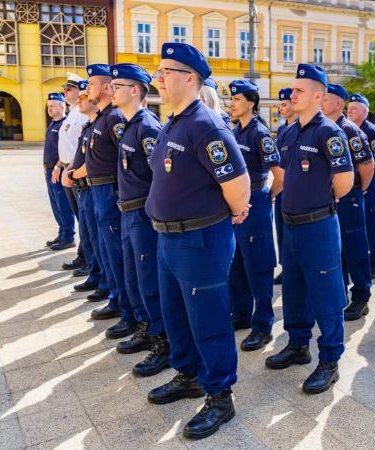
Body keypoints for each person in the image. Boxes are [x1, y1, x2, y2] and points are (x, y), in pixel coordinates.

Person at [145, 43, 251, 440]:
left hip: (199, 239)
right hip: (169, 238)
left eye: (166, 71)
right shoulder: (174, 122)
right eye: (158, 71)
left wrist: (234, 211)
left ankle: (220, 396)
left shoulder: (206, 125)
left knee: (208, 319)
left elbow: (237, 184)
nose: (159, 78)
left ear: (190, 78)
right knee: (176, 314)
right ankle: (188, 375)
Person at [264, 64, 354, 393]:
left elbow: (344, 181)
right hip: (291, 226)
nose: (293, 94)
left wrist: (321, 198)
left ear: (319, 96)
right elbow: (284, 174)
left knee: (326, 294)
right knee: (294, 289)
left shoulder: (328, 132)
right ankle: (298, 344)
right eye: (293, 89)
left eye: (300, 90)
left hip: (318, 226)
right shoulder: (288, 132)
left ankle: (330, 359)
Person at [106, 63, 171, 377]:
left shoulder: (147, 127)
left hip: (143, 215)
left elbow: (160, 175)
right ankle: (146, 327)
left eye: (117, 86)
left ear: (135, 90)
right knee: (134, 279)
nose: (112, 91)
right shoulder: (130, 124)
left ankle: (163, 342)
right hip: (128, 211)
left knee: (149, 281)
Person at [70, 64, 137, 342]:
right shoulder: (101, 118)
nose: (87, 89)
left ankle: (127, 309)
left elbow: (127, 159)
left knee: (117, 253)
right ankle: (117, 298)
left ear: (106, 87)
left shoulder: (113, 118)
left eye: (91, 84)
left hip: (110, 189)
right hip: (97, 190)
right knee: (106, 249)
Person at [227, 79, 284, 351]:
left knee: (258, 265)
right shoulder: (236, 131)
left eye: (237, 99)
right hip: (237, 204)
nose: (232, 104)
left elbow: (280, 175)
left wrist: (268, 196)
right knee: (237, 262)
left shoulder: (260, 133)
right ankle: (241, 314)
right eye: (231, 99)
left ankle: (263, 325)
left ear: (251, 103)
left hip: (256, 201)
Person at [322, 84, 374, 321]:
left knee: (355, 247)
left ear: (337, 104)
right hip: (328, 198)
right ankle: (340, 294)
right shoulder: (323, 127)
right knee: (336, 249)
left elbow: (367, 164)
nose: (321, 103)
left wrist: (358, 190)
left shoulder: (349, 130)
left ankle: (361, 297)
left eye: (326, 99)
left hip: (349, 197)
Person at [61, 81, 111, 303]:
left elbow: (96, 162)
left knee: (101, 241)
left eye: (84, 96)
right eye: (80, 96)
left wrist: (72, 174)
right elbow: (81, 155)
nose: (81, 99)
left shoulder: (105, 122)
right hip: (85, 187)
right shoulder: (90, 125)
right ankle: (96, 274)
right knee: (90, 236)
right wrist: (68, 169)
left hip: (95, 186)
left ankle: (105, 283)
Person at [347, 93, 375, 280]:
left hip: (369, 184)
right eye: (349, 108)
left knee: (372, 223)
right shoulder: (347, 128)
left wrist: (373, 179)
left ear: (364, 112)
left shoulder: (371, 131)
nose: (349, 111)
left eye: (354, 108)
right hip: (355, 185)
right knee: (357, 223)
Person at [58, 73, 89, 271]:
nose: (65, 92)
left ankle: (87, 257)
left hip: (77, 171)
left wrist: (71, 169)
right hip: (69, 169)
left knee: (85, 219)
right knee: (81, 218)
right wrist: (60, 166)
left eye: (68, 89)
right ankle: (84, 254)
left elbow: (82, 147)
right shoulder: (72, 113)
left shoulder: (82, 113)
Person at [42, 93, 76, 251]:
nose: (49, 109)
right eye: (48, 106)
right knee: (55, 204)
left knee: (63, 204)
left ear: (62, 106)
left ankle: (68, 237)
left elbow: (66, 150)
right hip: (50, 169)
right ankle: (62, 233)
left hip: (59, 169)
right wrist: (45, 168)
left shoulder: (65, 124)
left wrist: (57, 167)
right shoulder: (52, 124)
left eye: (52, 106)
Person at [273, 87, 296, 285]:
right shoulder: (282, 129)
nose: (281, 108)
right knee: (281, 230)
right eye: (280, 105)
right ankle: (286, 266)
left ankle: (294, 267)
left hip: (295, 187)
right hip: (281, 186)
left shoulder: (301, 127)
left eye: (284, 104)